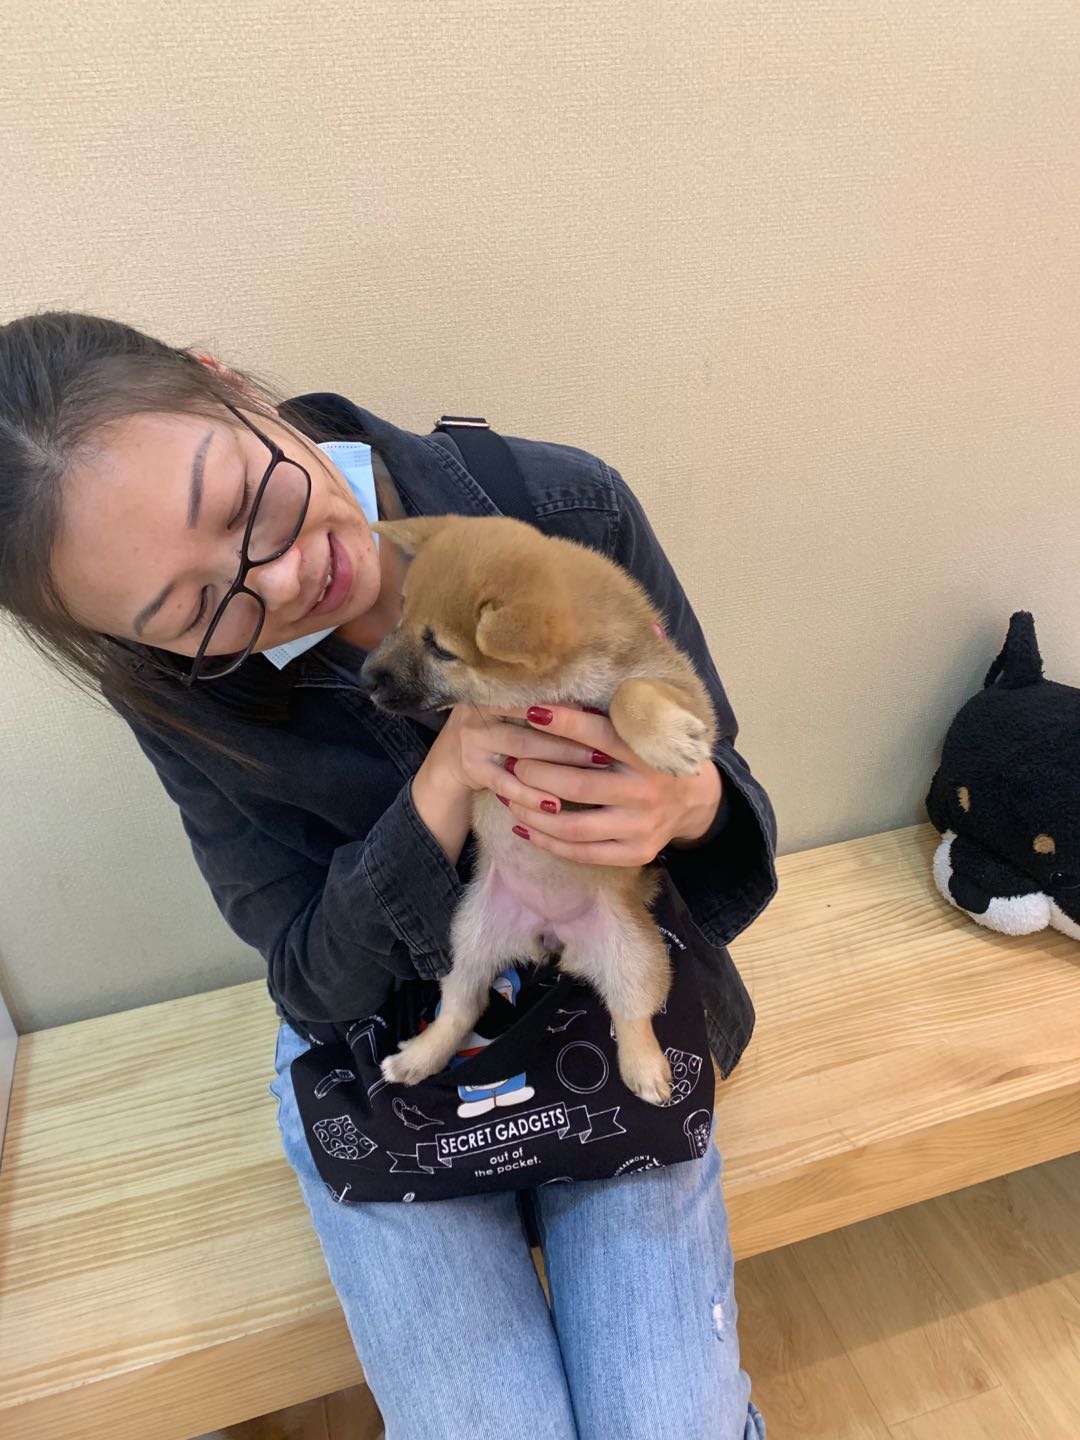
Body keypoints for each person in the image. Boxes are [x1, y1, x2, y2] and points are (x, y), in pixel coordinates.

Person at [0, 310, 776, 1440]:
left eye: (246, 503)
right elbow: (310, 984)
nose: (281, 578)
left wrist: (690, 802)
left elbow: (718, 782)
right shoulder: (183, 692)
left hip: (597, 995)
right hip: (384, 1042)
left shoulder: (558, 508)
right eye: (199, 609)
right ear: (141, 641)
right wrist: (444, 782)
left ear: (226, 381)